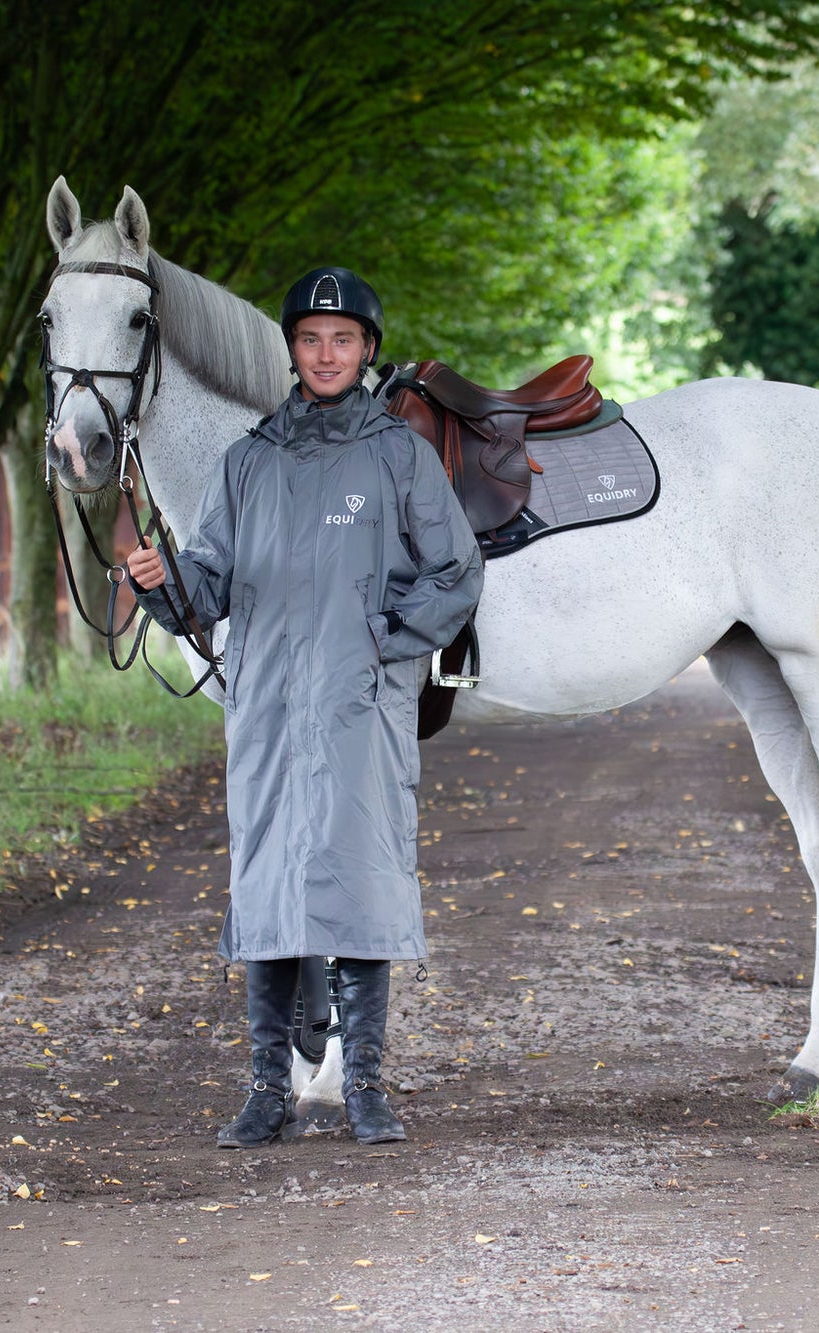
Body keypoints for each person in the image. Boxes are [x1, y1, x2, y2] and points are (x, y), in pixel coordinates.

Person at [128, 266, 482, 1147]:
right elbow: (205, 586)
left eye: (344, 340)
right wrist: (161, 584)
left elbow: (458, 571)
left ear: (368, 351)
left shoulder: (397, 456)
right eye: (311, 339)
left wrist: (385, 635)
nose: (326, 354)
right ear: (292, 350)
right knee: (270, 885)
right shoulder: (246, 463)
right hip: (267, 714)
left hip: (360, 710)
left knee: (359, 882)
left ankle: (364, 1085)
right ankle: (267, 1089)